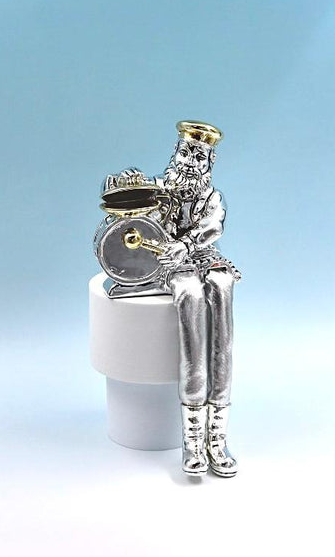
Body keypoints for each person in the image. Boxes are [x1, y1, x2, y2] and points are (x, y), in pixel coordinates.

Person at [102, 121, 240, 477]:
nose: (189, 162)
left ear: (209, 161)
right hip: (168, 263)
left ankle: (217, 436)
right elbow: (126, 205)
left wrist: (188, 244)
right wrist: (121, 184)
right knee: (191, 294)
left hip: (203, 256)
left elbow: (214, 227)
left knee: (222, 288)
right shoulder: (161, 191)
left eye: (198, 156)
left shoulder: (212, 198)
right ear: (174, 154)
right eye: (185, 153)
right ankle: (193, 440)